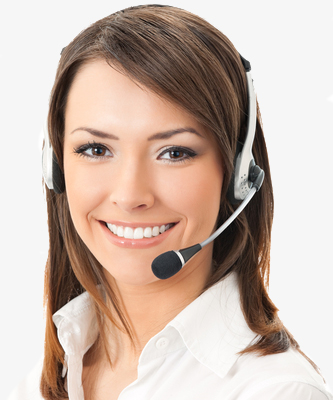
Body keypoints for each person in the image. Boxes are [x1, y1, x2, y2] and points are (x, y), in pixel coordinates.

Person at [8, 4, 332, 400]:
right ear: (55, 166)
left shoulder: (274, 391)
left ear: (236, 175)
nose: (130, 196)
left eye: (174, 153)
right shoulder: (48, 377)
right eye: (95, 149)